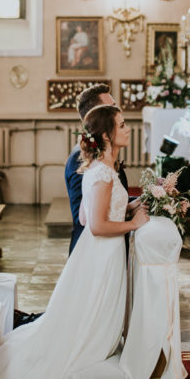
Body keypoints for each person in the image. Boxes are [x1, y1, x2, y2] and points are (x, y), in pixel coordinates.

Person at [0, 104, 149, 379]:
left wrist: (128, 208)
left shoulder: (97, 168)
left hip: (93, 254)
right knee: (94, 322)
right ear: (106, 135)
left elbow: (83, 214)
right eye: (122, 125)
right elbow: (96, 225)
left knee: (85, 313)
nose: (128, 129)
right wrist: (132, 224)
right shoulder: (104, 172)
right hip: (103, 254)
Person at [65, 84, 130, 253]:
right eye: (111, 107)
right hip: (93, 249)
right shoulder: (79, 160)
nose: (117, 110)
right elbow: (87, 216)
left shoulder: (100, 156)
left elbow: (107, 202)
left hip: (109, 245)